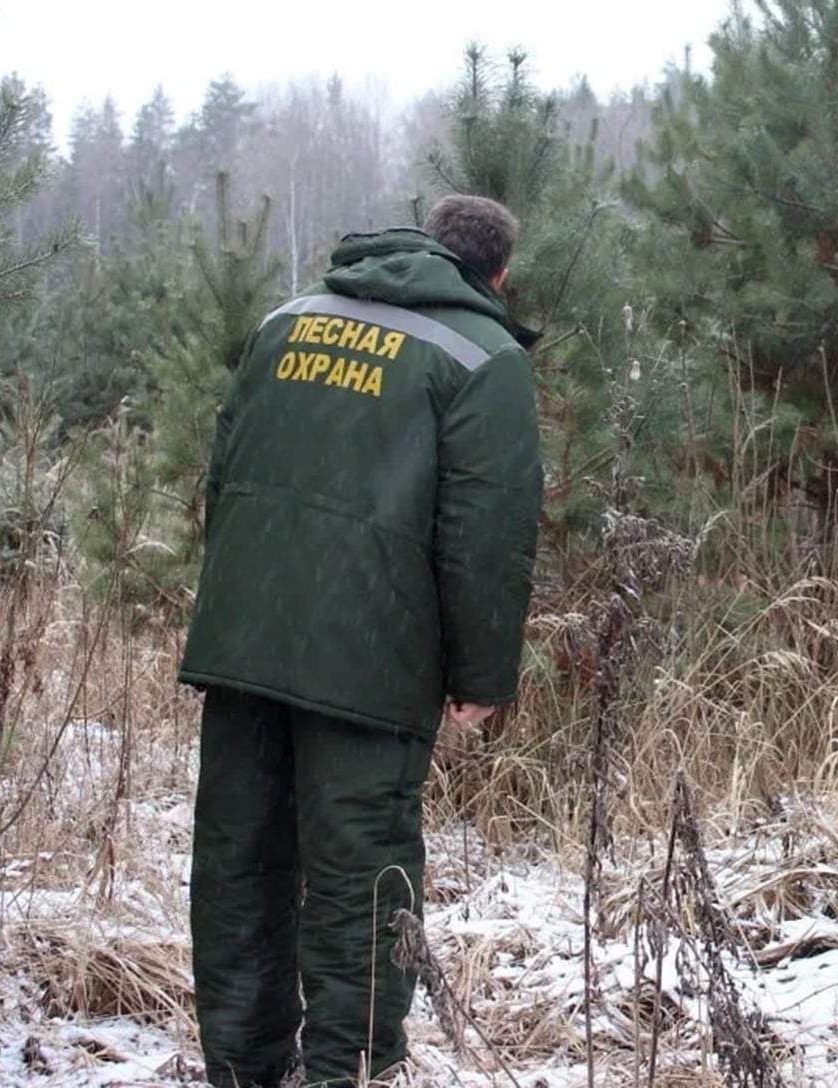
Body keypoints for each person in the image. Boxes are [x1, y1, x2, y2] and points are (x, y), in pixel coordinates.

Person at [179, 195, 545, 1086]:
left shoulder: (285, 320)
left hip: (245, 642)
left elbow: (222, 479)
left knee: (239, 864)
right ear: (496, 275)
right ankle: (351, 1073)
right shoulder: (482, 356)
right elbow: (485, 538)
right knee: (361, 879)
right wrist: (482, 676)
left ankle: (242, 1070)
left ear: (425, 240)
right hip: (372, 668)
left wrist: (241, 611)